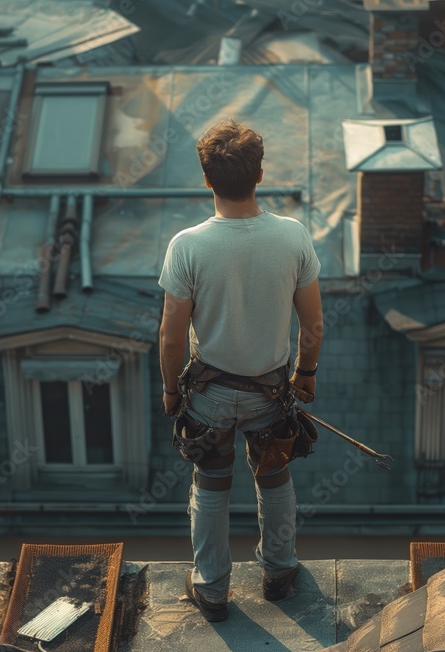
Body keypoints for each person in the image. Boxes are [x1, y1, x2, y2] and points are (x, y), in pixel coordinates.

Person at [157, 119, 324, 622]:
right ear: (260, 174)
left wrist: (170, 391)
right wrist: (306, 374)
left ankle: (211, 588)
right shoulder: (292, 236)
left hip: (209, 391)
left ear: (208, 180)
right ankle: (279, 570)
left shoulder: (187, 246)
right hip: (270, 392)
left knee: (210, 484)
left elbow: (170, 335)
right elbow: (312, 324)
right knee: (274, 477)